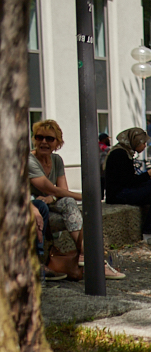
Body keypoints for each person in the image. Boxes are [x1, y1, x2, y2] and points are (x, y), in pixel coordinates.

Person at [28, 119, 125, 279]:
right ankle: (93, 259)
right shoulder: (29, 160)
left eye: (49, 139)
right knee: (72, 204)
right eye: (39, 137)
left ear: (57, 142)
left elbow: (61, 191)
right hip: (32, 207)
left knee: (69, 203)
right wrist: (83, 196)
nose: (43, 142)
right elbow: (48, 187)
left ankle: (84, 255)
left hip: (47, 205)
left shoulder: (56, 160)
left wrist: (51, 198)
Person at [103, 127, 151, 234]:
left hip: (121, 191)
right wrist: (148, 174)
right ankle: (149, 230)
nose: (145, 146)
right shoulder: (120, 154)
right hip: (118, 194)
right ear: (136, 141)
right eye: (143, 143)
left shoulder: (124, 152)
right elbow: (129, 181)